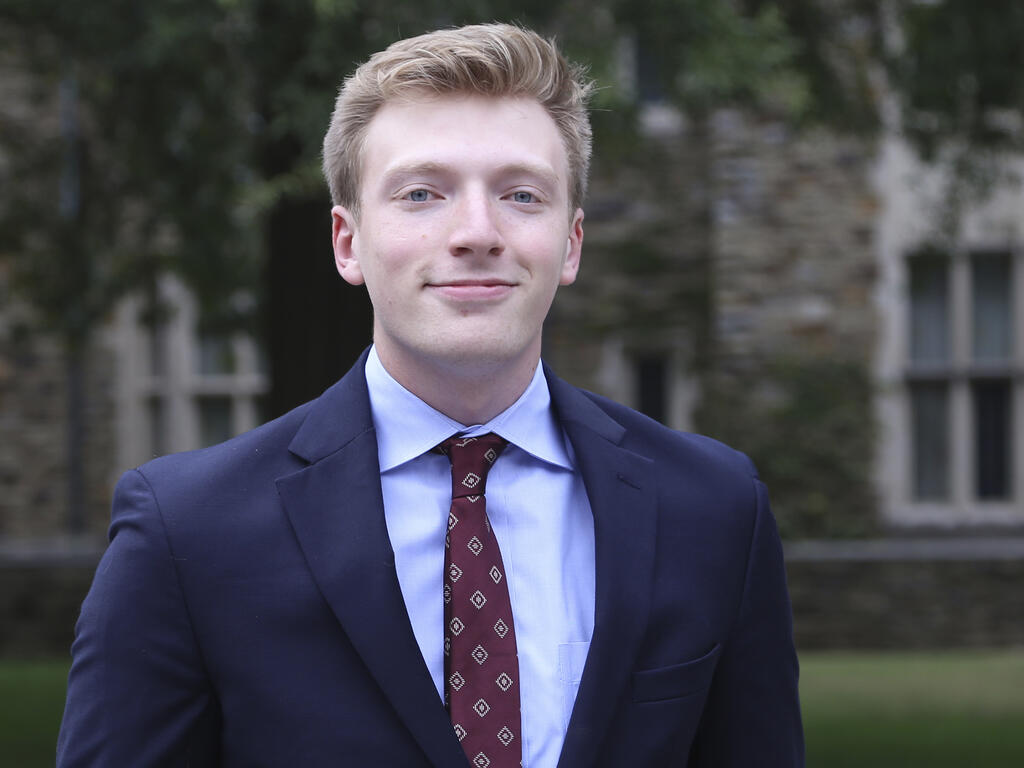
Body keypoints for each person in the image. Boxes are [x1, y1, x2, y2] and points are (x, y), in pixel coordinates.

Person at [58, 23, 803, 768]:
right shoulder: (188, 533)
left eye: (520, 194)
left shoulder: (714, 510)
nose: (477, 232)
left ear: (571, 243)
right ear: (349, 243)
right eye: (422, 194)